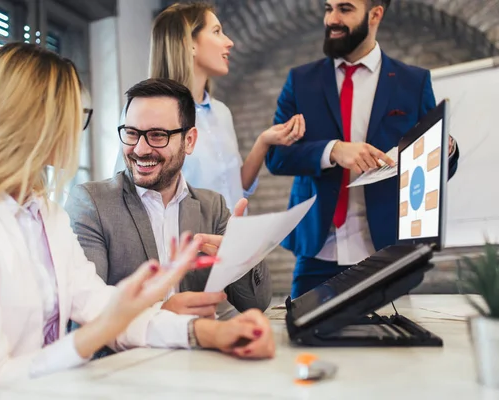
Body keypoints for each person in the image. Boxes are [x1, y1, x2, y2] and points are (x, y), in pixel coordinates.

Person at [0, 43, 275, 400]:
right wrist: (109, 322)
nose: (74, 131)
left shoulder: (43, 212)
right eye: (74, 116)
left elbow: (98, 303)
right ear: (32, 122)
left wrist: (210, 333)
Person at [265, 0, 460, 298]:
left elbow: (430, 165)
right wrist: (333, 151)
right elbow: (277, 158)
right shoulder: (301, 81)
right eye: (328, 8)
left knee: (387, 343)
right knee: (302, 340)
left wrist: (446, 150)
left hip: (386, 253)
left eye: (344, 9)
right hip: (317, 252)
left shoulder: (413, 82)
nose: (331, 18)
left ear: (375, 14)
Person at [66, 78, 271, 321]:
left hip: (198, 355)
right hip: (128, 358)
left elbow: (256, 303)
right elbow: (84, 315)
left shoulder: (212, 207)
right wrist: (161, 315)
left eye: (157, 135)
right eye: (131, 133)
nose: (140, 149)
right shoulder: (92, 203)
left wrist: (242, 256)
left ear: (189, 141)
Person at [113, 2, 305, 212]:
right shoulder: (143, 114)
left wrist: (263, 142)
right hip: (187, 243)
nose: (229, 42)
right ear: (190, 44)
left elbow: (234, 188)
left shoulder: (221, 112)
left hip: (233, 239)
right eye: (217, 32)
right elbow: (130, 199)